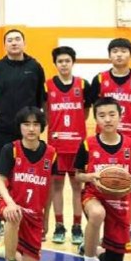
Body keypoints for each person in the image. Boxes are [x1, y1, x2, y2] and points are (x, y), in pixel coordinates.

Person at [74, 97, 131, 261]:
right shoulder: (87, 145)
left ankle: (91, 247)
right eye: (102, 115)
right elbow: (77, 175)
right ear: (96, 119)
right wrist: (90, 177)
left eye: (112, 114)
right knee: (97, 214)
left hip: (119, 202)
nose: (107, 119)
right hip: (93, 195)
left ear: (120, 116)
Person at [88, 38, 131, 250]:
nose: (119, 54)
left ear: (130, 55)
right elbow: (94, 109)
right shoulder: (99, 79)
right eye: (115, 51)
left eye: (123, 51)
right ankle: (103, 231)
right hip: (103, 142)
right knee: (103, 184)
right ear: (109, 55)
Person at [0, 107, 55, 261]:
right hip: (11, 203)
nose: (31, 129)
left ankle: (5, 249)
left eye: (35, 124)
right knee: (13, 214)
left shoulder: (51, 154)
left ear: (42, 127)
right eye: (26, 124)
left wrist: (46, 217)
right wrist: (10, 202)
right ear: (20, 127)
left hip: (34, 212)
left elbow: (49, 190)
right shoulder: (11, 150)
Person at [0, 29, 46, 241]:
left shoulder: (35, 67)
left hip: (28, 132)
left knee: (30, 176)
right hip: (3, 130)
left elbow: (40, 98)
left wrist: (31, 124)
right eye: (9, 40)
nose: (14, 43)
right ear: (5, 45)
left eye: (17, 39)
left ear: (24, 43)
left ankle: (31, 218)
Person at [45, 46, 90, 246]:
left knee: (77, 186)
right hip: (56, 146)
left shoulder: (83, 84)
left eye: (67, 61)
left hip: (77, 147)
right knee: (57, 186)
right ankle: (59, 225)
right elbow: (47, 112)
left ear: (73, 62)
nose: (64, 64)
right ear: (55, 64)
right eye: (60, 61)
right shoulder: (47, 86)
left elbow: (85, 112)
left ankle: (77, 226)